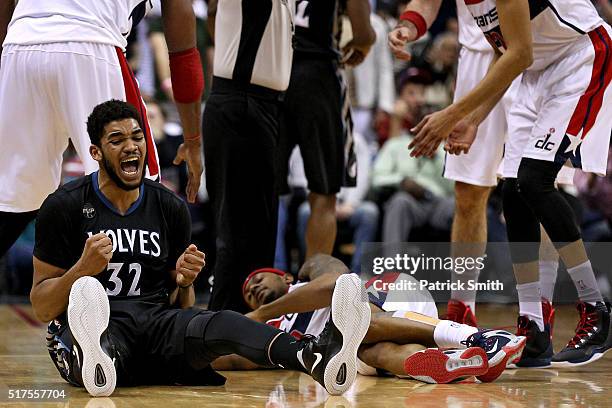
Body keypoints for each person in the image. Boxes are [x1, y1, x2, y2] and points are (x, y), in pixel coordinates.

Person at [31, 100, 372, 397]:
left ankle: (310, 355)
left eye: (137, 137)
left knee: (220, 320)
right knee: (91, 304)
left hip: (156, 326)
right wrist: (80, 270)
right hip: (105, 328)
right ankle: (96, 356)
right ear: (96, 153)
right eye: (116, 140)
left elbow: (183, 304)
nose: (131, 147)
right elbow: (43, 306)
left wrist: (183, 282)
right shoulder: (66, 206)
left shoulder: (168, 206)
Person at [396, 0, 612, 367]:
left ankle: (596, 310)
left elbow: (520, 53)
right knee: (512, 192)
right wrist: (475, 117)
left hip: (579, 59)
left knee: (535, 182)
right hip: (535, 76)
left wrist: (454, 112)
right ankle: (533, 328)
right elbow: (506, 52)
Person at [0, 0, 204, 258]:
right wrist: (193, 139)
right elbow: (183, 51)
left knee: (12, 199)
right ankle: (134, 296)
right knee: (134, 191)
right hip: (92, 42)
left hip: (19, 43)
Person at [213, 254, 528, 384]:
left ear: (284, 276)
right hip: (356, 343)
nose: (252, 288)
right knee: (371, 354)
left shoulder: (310, 275)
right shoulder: (266, 332)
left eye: (258, 279)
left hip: (390, 294)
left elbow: (333, 282)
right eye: (248, 293)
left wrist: (255, 315)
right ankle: (453, 363)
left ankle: (479, 337)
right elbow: (227, 359)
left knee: (358, 319)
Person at [278, 0, 376, 267]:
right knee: (324, 194)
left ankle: (259, 281)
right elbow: (363, 31)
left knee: (265, 194)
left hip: (271, 74)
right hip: (319, 74)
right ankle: (312, 292)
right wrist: (365, 42)